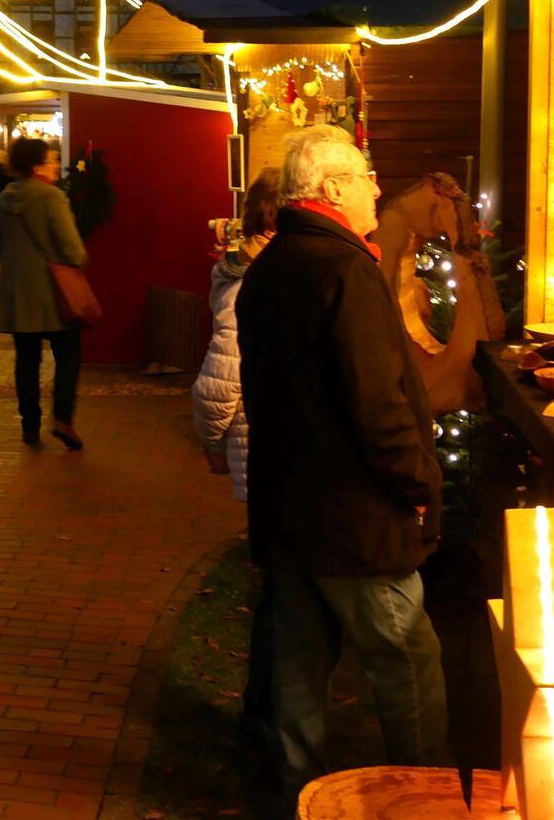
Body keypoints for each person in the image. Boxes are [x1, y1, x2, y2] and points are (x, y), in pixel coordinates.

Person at [237, 124, 448, 805]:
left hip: (291, 508)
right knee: (407, 660)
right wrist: (416, 482)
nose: (377, 186)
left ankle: (297, 792)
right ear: (331, 189)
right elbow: (376, 401)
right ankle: (425, 794)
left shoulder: (271, 266)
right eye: (364, 175)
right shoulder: (344, 269)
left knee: (299, 662)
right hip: (355, 516)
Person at [191, 168, 282, 743]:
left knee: (277, 584)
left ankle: (265, 709)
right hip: (261, 439)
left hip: (260, 442)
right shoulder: (252, 282)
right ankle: (265, 716)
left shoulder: (241, 272)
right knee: (279, 586)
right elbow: (220, 379)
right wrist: (212, 443)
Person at [0, 137, 86, 450]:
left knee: (26, 359)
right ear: (36, 166)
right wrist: (74, 260)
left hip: (17, 292)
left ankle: (29, 424)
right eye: (51, 160)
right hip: (52, 293)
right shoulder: (51, 197)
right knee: (68, 354)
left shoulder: (5, 197)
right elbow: (72, 250)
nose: (56, 165)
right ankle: (62, 419)